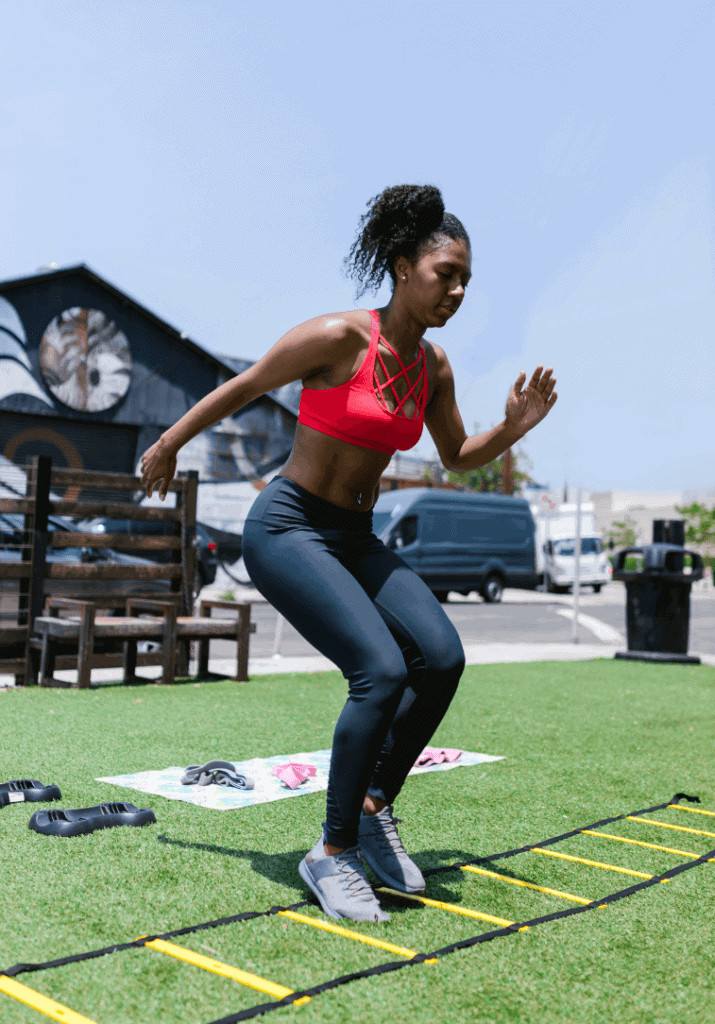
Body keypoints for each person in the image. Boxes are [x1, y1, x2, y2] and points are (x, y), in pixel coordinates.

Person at [141, 184, 557, 923]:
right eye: (444, 274)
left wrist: (513, 427)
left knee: (441, 656)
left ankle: (370, 807)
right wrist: (169, 444)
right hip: (289, 527)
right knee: (380, 669)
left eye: (466, 280)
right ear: (402, 267)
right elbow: (242, 386)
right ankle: (330, 853)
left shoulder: (433, 368)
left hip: (356, 538)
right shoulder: (337, 338)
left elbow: (457, 455)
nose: (456, 291)